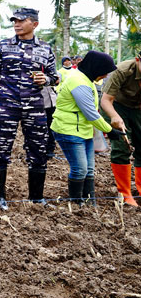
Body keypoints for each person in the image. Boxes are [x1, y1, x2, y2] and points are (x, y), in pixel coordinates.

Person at [0, 8, 60, 209]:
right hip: (7, 105)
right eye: (14, 21)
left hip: (35, 107)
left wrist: (47, 79)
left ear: (34, 24)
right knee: (0, 150)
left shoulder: (45, 48)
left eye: (21, 20)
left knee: (38, 150)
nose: (16, 24)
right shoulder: (3, 46)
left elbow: (56, 77)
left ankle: (36, 197)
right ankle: (0, 197)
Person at [52, 51, 116, 205]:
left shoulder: (86, 79)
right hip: (68, 130)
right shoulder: (78, 82)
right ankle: (77, 202)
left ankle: (89, 201)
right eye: (104, 72)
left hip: (83, 130)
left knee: (89, 169)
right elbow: (91, 113)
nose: (105, 75)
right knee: (80, 168)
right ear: (95, 67)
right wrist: (110, 130)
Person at [100, 51, 141, 207]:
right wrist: (115, 117)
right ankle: (125, 193)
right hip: (116, 106)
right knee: (122, 146)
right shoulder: (123, 70)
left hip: (137, 108)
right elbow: (105, 100)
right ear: (138, 60)